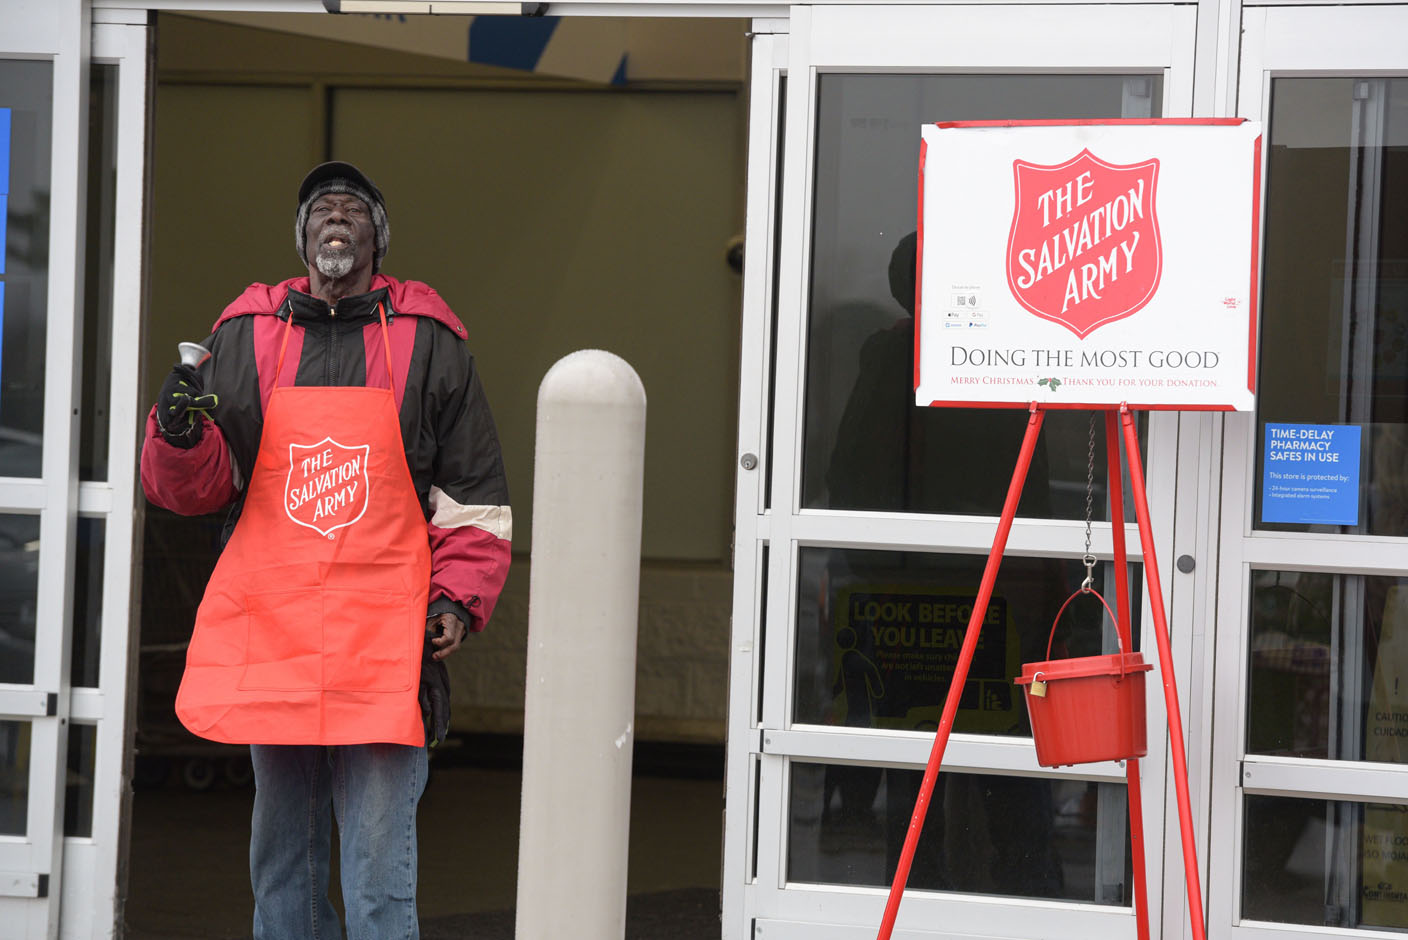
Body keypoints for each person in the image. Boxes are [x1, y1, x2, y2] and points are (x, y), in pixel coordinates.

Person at [140, 161, 511, 939]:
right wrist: (174, 434)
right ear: (303, 239)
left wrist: (457, 599)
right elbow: (198, 488)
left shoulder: (431, 345)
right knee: (284, 868)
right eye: (320, 210)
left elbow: (472, 497)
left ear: (379, 238)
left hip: (384, 645)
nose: (335, 218)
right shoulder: (245, 336)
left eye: (353, 209)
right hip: (276, 640)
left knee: (377, 873)